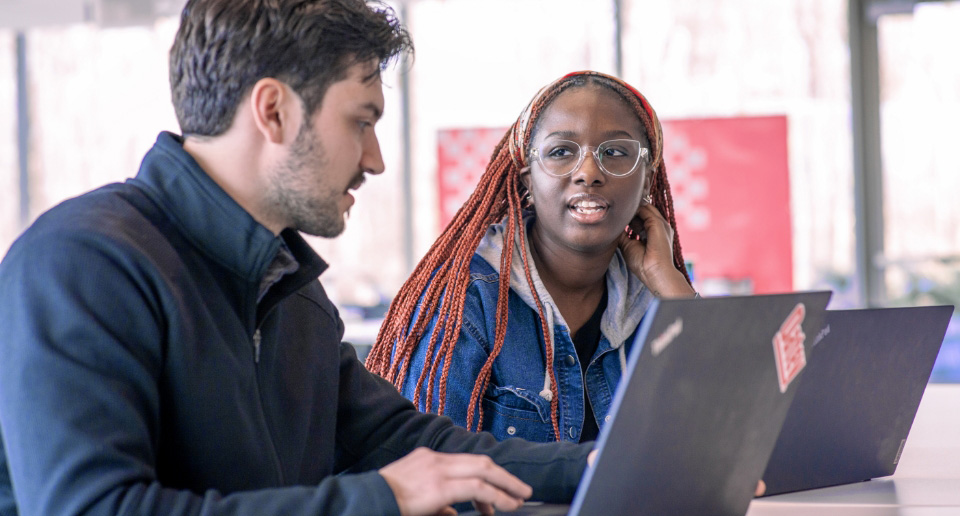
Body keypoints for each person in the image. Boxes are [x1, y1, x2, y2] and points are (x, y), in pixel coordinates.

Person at [0, 2, 594, 515]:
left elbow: (407, 443)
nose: (376, 158)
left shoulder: (289, 289)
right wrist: (381, 500)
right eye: (361, 121)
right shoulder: (83, 265)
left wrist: (603, 463)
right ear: (274, 111)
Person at [366, 71, 697, 444]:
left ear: (647, 181)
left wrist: (673, 291)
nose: (588, 173)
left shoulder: (657, 296)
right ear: (527, 182)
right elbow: (431, 469)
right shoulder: (465, 298)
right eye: (560, 152)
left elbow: (730, 437)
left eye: (616, 152)